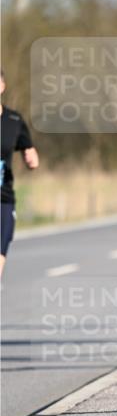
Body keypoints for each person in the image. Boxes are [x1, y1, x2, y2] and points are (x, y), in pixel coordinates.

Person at [0, 71, 39, 278]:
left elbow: (29, 149)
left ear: (2, 86)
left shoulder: (14, 120)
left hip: (3, 200)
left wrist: (31, 159)